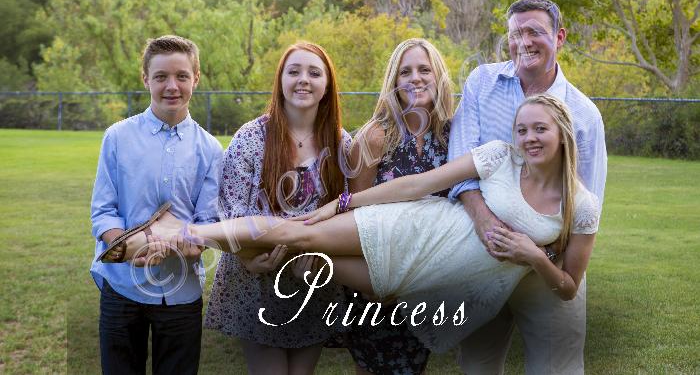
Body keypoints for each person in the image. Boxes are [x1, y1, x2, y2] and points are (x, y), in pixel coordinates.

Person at [111, 94, 600, 356]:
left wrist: (534, 256)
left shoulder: (581, 206)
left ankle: (200, 241)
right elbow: (417, 185)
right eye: (522, 129)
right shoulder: (498, 157)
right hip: (412, 230)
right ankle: (179, 234)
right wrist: (342, 202)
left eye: (540, 129)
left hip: (429, 277)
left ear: (562, 134)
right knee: (297, 231)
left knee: (305, 260)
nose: (529, 138)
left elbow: (567, 287)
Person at [449, 0, 607, 374]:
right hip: (482, 254)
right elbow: (460, 164)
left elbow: (587, 203)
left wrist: (540, 254)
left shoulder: (584, 114)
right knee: (477, 365)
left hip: (549, 267)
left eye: (535, 31)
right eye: (515, 34)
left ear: (560, 37)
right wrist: (484, 221)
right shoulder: (482, 82)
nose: (523, 42)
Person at [203, 41, 351, 374]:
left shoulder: (342, 143)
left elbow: (349, 211)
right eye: (294, 71)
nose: (304, 80)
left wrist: (316, 259)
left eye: (314, 73)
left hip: (313, 283)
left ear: (327, 84)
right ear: (280, 80)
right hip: (255, 280)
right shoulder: (251, 138)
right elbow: (230, 213)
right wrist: (247, 257)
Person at [90, 35, 223, 375]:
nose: (172, 86)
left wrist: (192, 244)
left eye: (182, 76)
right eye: (161, 76)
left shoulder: (210, 149)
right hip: (122, 286)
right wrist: (127, 247)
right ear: (145, 79)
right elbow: (104, 211)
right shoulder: (117, 137)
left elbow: (207, 222)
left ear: (196, 78)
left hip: (181, 291)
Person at [341, 38, 453, 375]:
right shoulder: (375, 137)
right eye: (406, 72)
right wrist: (376, 282)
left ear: (438, 76)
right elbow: (353, 217)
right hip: (377, 282)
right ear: (394, 81)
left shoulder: (451, 136)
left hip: (425, 283)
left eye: (424, 70)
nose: (415, 78)